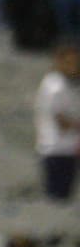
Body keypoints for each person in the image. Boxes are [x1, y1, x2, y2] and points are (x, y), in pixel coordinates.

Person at [37, 38, 80, 202]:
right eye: (68, 61)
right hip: (55, 150)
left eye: (75, 61)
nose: (72, 65)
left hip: (70, 149)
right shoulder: (54, 84)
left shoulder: (71, 84)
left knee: (66, 198)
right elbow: (59, 120)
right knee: (56, 199)